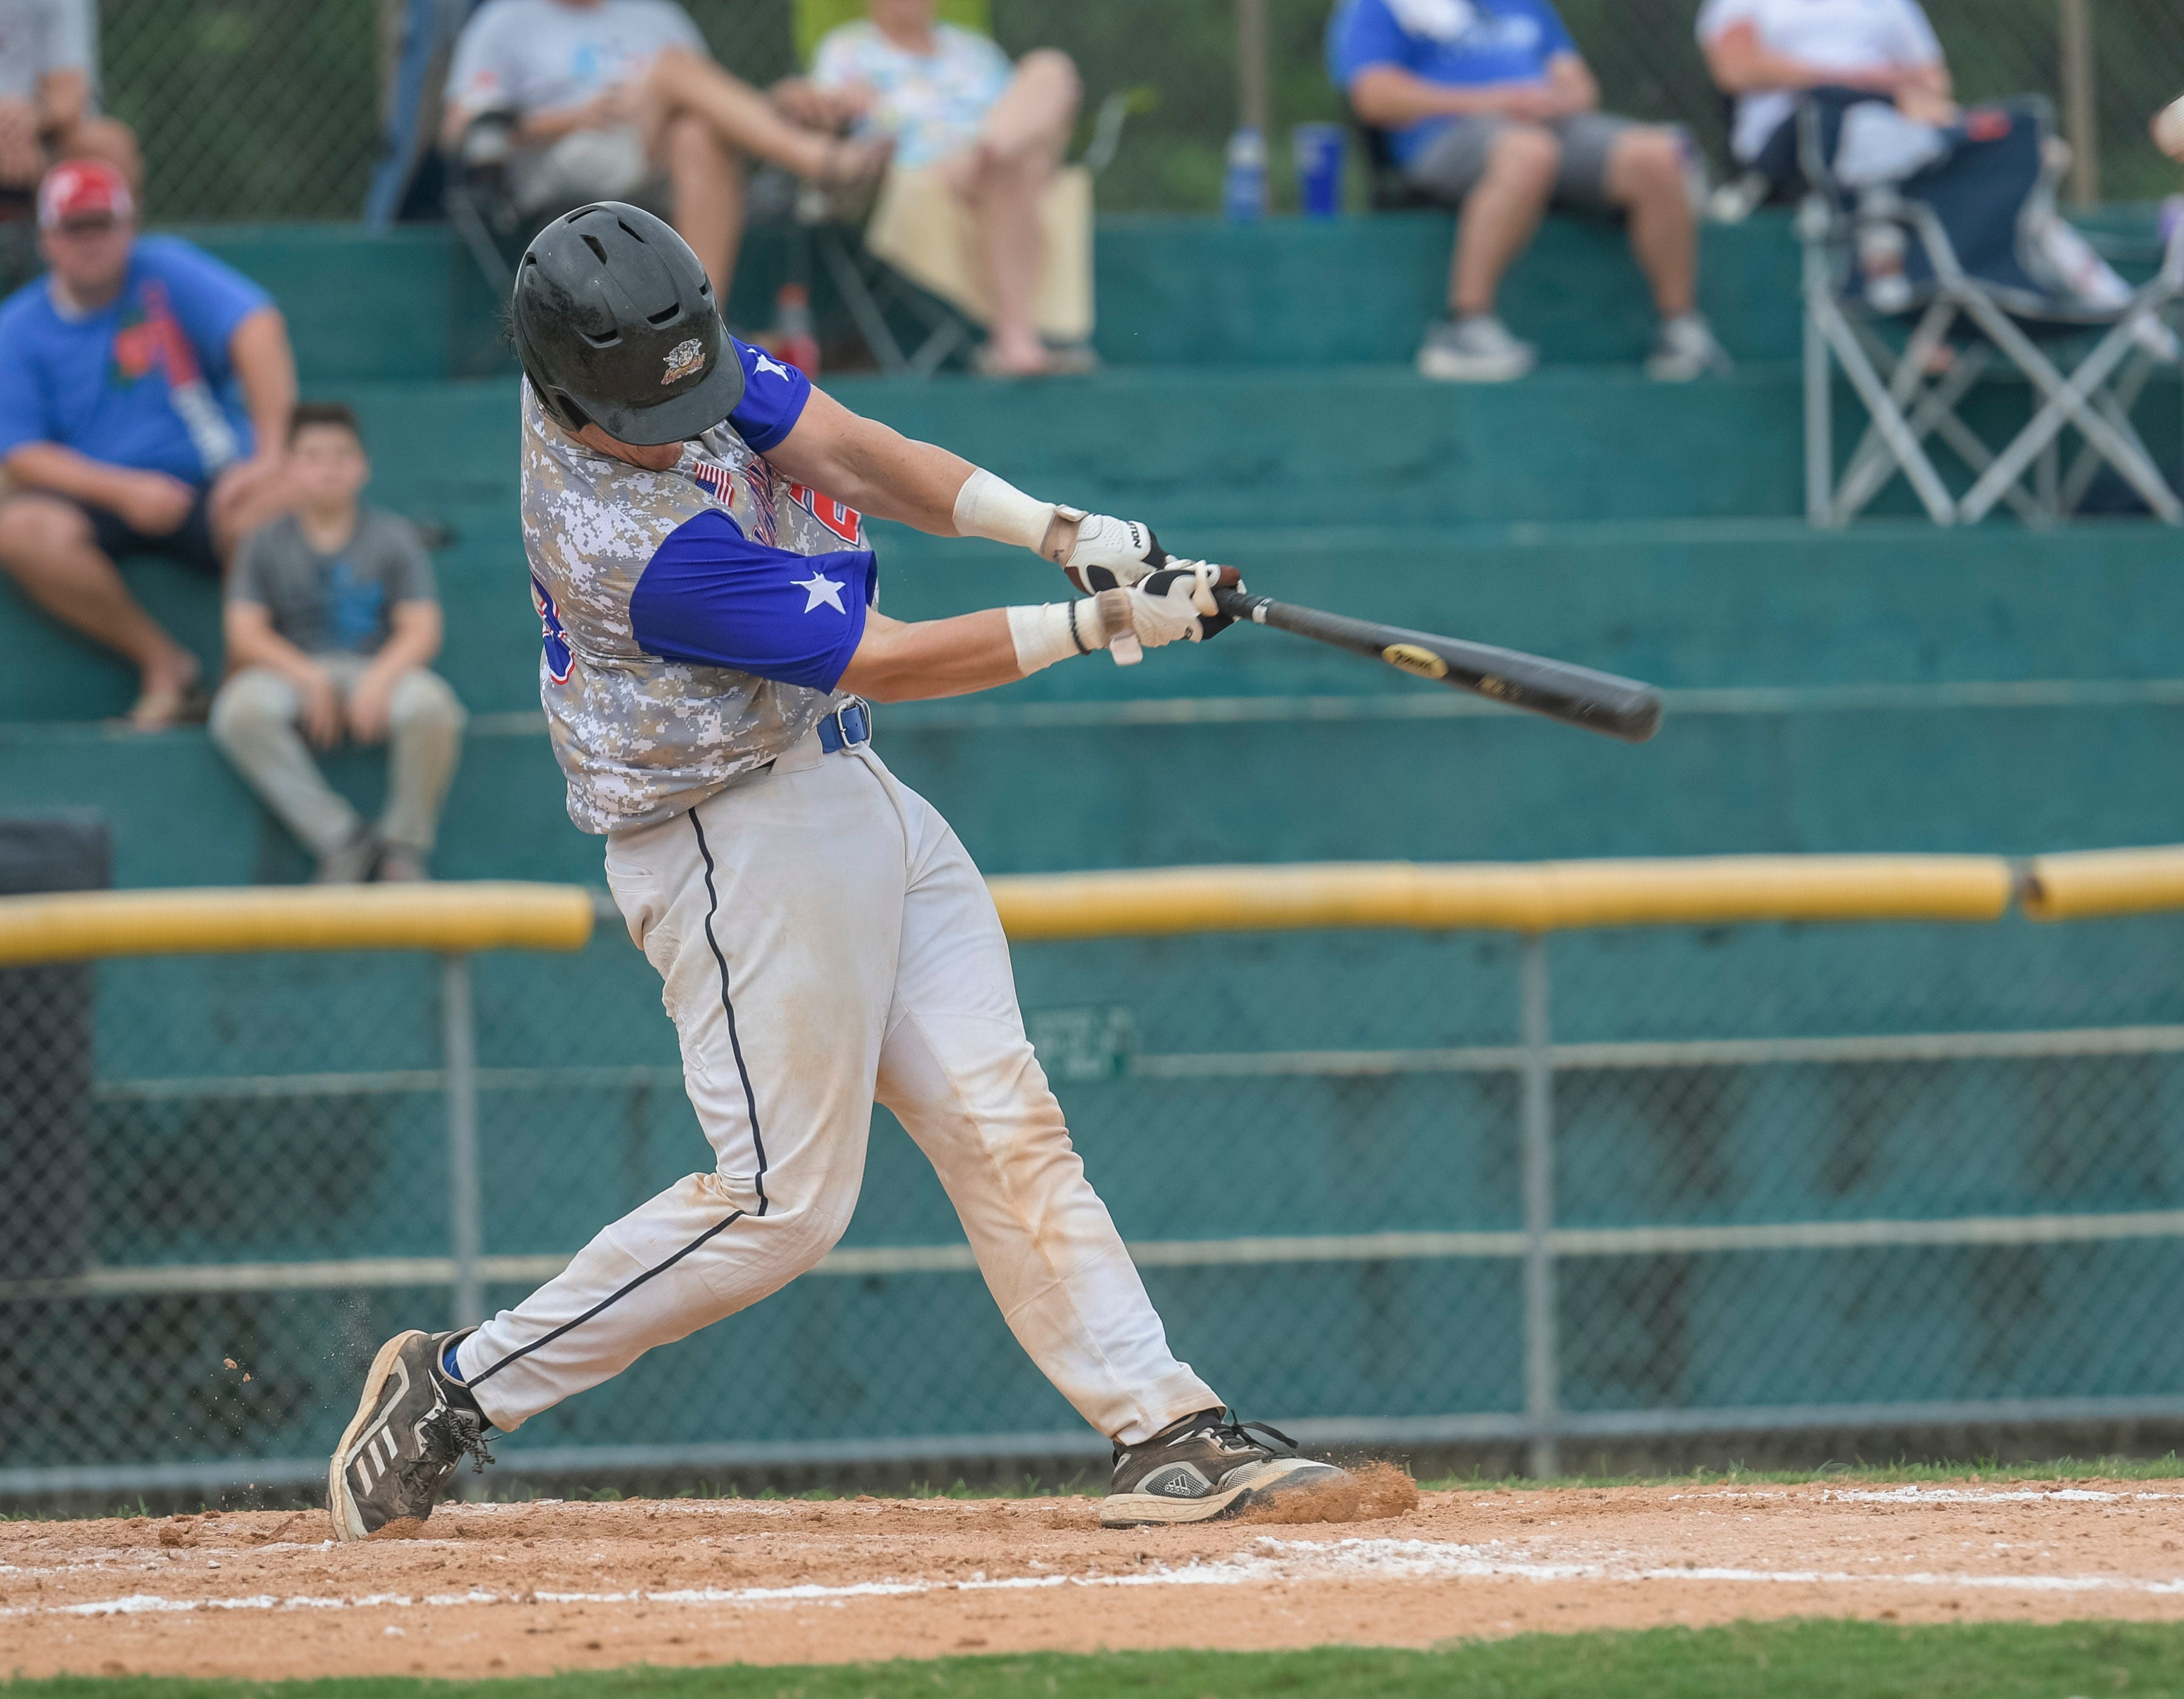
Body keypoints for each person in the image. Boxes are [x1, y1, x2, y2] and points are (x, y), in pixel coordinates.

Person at [327, 203, 1352, 1540]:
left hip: (842, 786)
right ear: (569, 390)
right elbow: (889, 653)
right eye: (654, 401)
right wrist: (1100, 618)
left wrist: (1055, 527)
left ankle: (1162, 1423)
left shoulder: (658, 355)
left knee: (1003, 1113)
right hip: (730, 838)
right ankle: (459, 1384)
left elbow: (850, 452)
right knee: (782, 1203)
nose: (688, 410)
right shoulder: (630, 545)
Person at [0, 159, 295, 728]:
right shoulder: (16, 326)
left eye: (102, 225)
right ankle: (165, 667)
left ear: (128, 227)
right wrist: (124, 490)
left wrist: (269, 455)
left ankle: (239, 687)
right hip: (98, 493)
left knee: (271, 504)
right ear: (46, 240)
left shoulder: (165, 268)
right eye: (74, 228)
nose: (90, 242)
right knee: (18, 528)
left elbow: (259, 327)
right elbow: (20, 450)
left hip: (212, 479)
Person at [1329, 0, 1730, 383]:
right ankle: (1466, 325)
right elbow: (1374, 97)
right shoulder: (1380, 5)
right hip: (1442, 136)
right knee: (1528, 153)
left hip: (1548, 127)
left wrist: (1550, 101)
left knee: (1659, 154)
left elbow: (1580, 86)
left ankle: (1680, 329)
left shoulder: (1521, 2)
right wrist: (1493, 102)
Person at [442, 0, 889, 301]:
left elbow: (715, 101)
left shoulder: (654, 12)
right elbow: (461, 126)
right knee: (673, 66)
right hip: (562, 155)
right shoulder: (506, 18)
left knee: (697, 132)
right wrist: (576, 117)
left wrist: (783, 102)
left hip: (653, 152)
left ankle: (704, 324)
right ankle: (816, 161)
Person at [209, 404, 465, 885]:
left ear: (362, 466)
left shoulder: (393, 537)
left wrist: (380, 680)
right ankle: (341, 838)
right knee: (237, 712)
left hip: (376, 666)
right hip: (293, 669)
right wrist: (305, 675)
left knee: (434, 707)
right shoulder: (262, 541)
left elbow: (422, 629)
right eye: (312, 456)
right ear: (289, 468)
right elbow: (244, 634)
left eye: (341, 455)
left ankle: (402, 848)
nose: (328, 467)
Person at [801, 0, 1084, 377]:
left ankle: (987, 150)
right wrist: (842, 108)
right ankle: (1015, 339)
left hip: (994, 160)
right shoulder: (846, 50)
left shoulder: (976, 50)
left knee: (1051, 68)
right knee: (1017, 165)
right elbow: (824, 135)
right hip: (916, 173)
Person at [0, 0, 141, 200]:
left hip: (39, 136)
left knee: (110, 148)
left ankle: (110, 230)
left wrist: (29, 120)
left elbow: (68, 95)